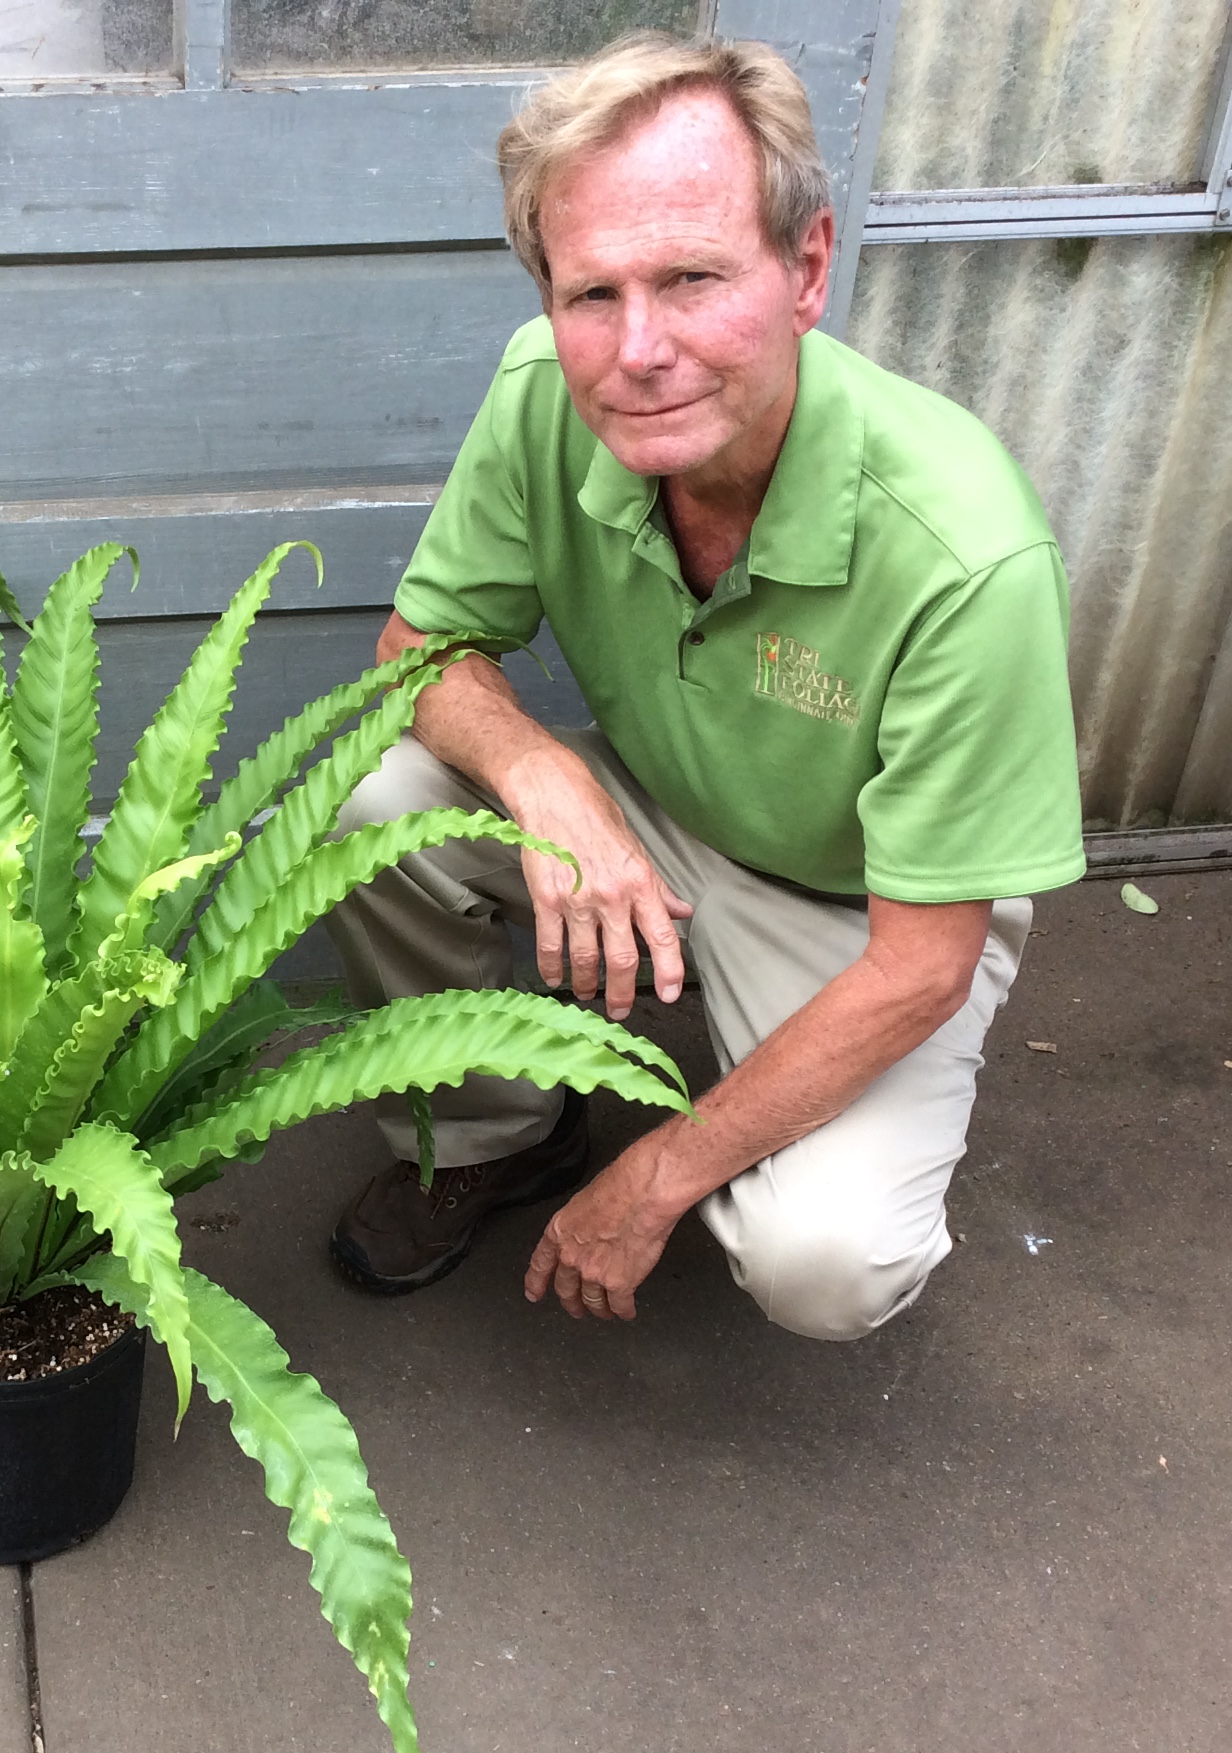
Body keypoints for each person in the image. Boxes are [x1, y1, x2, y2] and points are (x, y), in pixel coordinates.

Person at [323, 33, 1085, 1341]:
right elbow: (419, 652)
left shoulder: (967, 550)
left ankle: (699, 1139)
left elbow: (922, 965)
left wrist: (659, 1175)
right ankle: (502, 1135)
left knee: (826, 1266)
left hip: (863, 910)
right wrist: (545, 777)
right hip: (660, 804)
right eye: (591, 293)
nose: (639, 349)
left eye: (691, 278)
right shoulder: (542, 401)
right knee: (371, 787)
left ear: (807, 268)